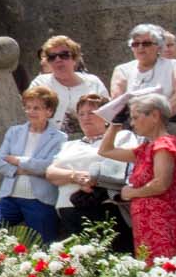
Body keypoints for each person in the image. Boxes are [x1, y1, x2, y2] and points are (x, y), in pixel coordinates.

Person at [99, 93, 176, 258]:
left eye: (135, 117)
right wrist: (115, 124)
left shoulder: (164, 145)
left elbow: (161, 184)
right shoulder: (146, 147)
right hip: (147, 221)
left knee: (166, 270)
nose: (132, 123)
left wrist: (132, 193)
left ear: (155, 115)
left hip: (163, 220)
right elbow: (105, 150)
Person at [44, 93, 137, 245]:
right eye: (81, 114)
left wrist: (93, 178)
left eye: (92, 113)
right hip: (69, 208)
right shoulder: (69, 145)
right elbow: (51, 173)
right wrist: (75, 176)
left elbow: (123, 167)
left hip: (104, 206)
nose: (86, 117)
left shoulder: (122, 137)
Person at [0, 87, 66, 242]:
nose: (31, 112)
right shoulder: (14, 132)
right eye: (28, 107)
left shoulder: (59, 138)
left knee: (45, 243)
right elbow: (0, 162)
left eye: (37, 108)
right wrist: (30, 170)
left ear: (49, 112)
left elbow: (49, 167)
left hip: (40, 200)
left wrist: (19, 161)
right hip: (10, 197)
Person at [111, 23, 176, 117]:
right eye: (135, 44)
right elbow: (117, 101)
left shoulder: (174, 66)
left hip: (172, 118)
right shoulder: (122, 70)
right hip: (134, 121)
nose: (140, 47)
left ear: (158, 46)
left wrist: (158, 116)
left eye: (146, 43)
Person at [28, 36, 108, 110]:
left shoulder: (94, 82)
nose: (58, 60)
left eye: (64, 55)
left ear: (75, 58)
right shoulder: (40, 83)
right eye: (52, 57)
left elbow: (107, 113)